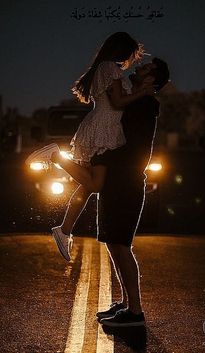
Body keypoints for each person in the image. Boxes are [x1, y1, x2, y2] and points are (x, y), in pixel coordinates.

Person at [50, 58, 170, 326]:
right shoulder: (134, 99)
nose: (140, 68)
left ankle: (135, 313)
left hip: (126, 181)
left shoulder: (145, 104)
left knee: (121, 245)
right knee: (114, 244)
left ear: (152, 80)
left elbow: (137, 149)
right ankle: (127, 304)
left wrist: (102, 157)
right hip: (116, 180)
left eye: (146, 68)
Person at [25, 32, 155, 260]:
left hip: (105, 127)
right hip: (103, 129)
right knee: (95, 185)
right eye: (132, 53)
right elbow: (116, 102)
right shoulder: (109, 68)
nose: (132, 59)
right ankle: (56, 156)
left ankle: (64, 230)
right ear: (122, 49)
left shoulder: (107, 68)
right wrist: (142, 92)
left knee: (87, 186)